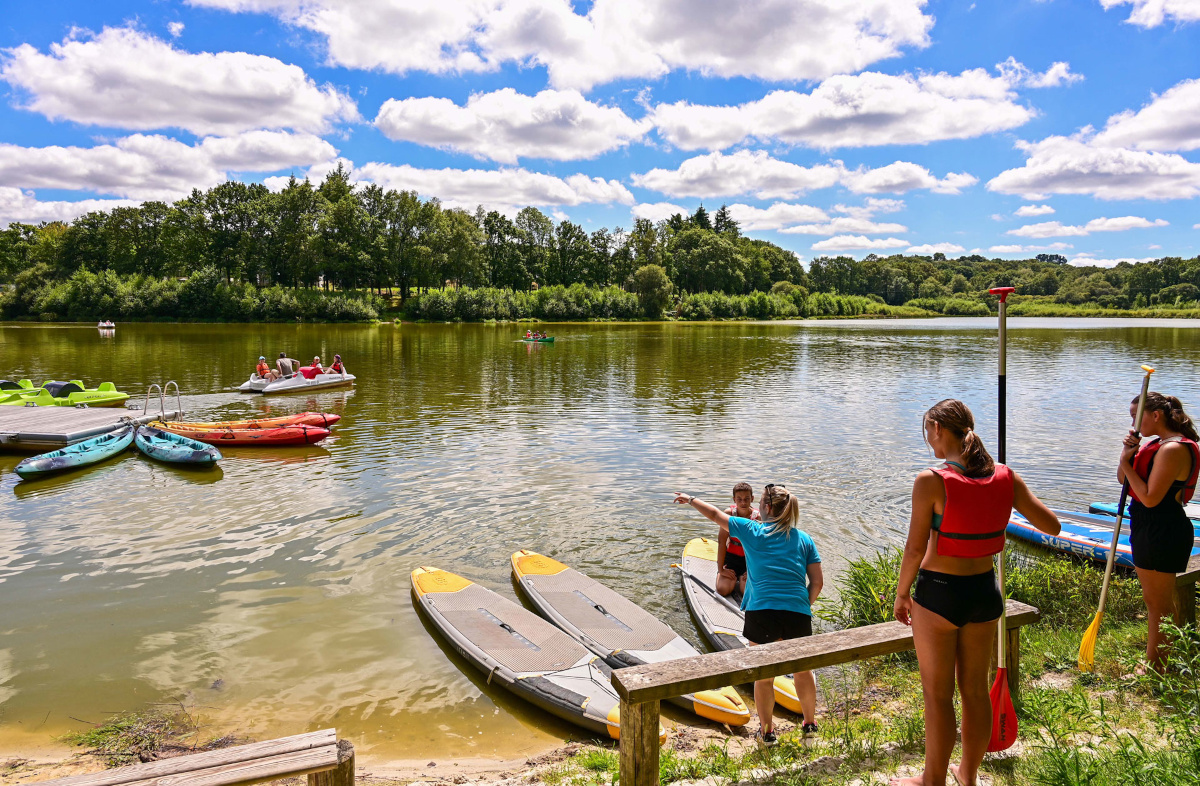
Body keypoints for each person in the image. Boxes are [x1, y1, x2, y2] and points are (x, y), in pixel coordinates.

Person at [892, 400, 1058, 786]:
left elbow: (915, 549)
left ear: (937, 428)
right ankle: (968, 775)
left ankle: (932, 780)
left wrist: (902, 595)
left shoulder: (930, 480)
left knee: (937, 696)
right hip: (985, 594)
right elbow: (1051, 526)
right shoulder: (1006, 476)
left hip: (939, 596)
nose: (928, 439)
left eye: (927, 431)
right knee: (975, 692)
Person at [674, 484, 822, 746]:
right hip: (797, 613)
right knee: (802, 670)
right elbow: (817, 582)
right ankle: (810, 726)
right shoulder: (804, 539)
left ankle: (767, 733)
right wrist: (802, 605)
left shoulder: (753, 530)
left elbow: (715, 515)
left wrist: (692, 499)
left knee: (763, 677)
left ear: (764, 507)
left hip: (762, 612)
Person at [1118, 392, 1199, 673]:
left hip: (1163, 529)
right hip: (1148, 526)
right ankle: (1163, 661)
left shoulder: (1173, 449)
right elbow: (1124, 481)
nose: (1132, 423)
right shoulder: (1157, 445)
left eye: (1135, 416)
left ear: (1155, 415)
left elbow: (1151, 498)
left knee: (1158, 604)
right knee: (1157, 602)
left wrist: (1128, 464)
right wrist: (1128, 456)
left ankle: (1156, 667)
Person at [716, 482, 760, 597]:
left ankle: (742, 578)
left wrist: (753, 570)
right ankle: (730, 578)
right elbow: (721, 542)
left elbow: (761, 548)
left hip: (749, 560)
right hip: (731, 558)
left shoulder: (758, 518)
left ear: (752, 499)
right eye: (739, 499)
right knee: (723, 589)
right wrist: (721, 569)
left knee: (747, 592)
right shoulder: (729, 514)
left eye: (747, 499)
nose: (743, 502)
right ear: (734, 499)